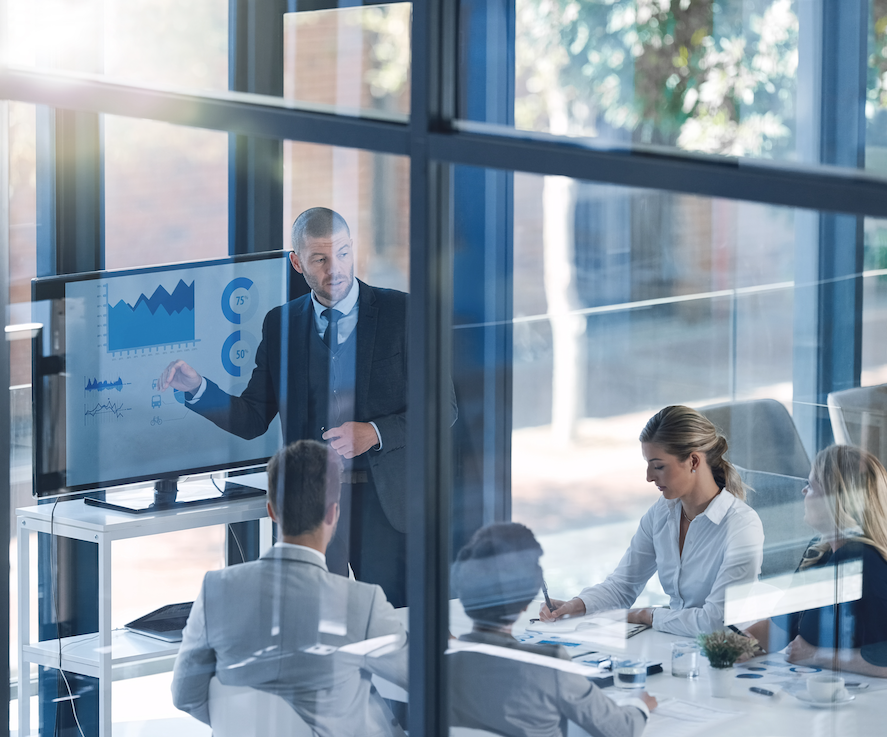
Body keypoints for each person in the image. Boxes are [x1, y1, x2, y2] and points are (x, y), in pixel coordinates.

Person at [159, 207, 422, 607]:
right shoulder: (281, 324)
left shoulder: (401, 313)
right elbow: (252, 417)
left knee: (392, 625)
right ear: (297, 263)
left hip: (385, 507)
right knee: (314, 622)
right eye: (320, 259)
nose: (335, 269)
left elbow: (443, 408)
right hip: (310, 507)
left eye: (343, 254)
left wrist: (373, 433)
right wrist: (198, 389)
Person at [171, 439, 409, 736]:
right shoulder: (362, 603)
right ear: (333, 514)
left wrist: (243, 723)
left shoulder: (215, 590)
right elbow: (423, 677)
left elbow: (185, 696)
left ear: (271, 511)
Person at [540, 405, 764, 636]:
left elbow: (714, 622)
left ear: (694, 461)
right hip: (676, 643)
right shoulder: (662, 513)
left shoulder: (741, 526)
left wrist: (646, 615)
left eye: (658, 466)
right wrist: (577, 606)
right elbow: (623, 586)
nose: (648, 477)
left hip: (730, 650)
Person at [449, 522, 655, 737]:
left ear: (463, 596)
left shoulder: (440, 663)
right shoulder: (549, 664)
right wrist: (639, 704)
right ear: (526, 603)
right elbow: (622, 729)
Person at [744, 445, 887, 677]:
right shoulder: (820, 552)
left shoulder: (862, 560)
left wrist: (817, 655)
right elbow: (781, 627)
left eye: (811, 485)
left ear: (836, 499)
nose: (803, 491)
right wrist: (732, 644)